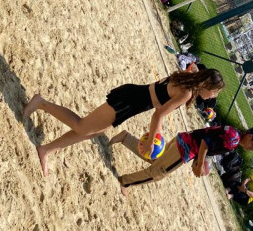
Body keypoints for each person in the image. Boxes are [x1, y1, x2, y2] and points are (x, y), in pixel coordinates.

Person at [22, 68, 225, 176]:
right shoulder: (186, 92)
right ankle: (41, 103)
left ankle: (46, 149)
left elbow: (191, 69)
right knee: (82, 126)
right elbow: (158, 115)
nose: (212, 96)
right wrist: (152, 139)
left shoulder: (189, 77)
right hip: (130, 102)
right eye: (214, 92)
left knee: (91, 132)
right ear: (207, 85)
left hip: (134, 97)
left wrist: (157, 133)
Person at [115, 125, 253, 195]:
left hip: (183, 139)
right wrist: (200, 164)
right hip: (184, 150)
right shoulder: (233, 141)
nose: (252, 148)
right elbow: (205, 143)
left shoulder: (233, 132)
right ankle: (126, 181)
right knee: (156, 173)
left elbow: (206, 141)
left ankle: (126, 138)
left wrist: (198, 161)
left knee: (156, 161)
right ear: (249, 136)